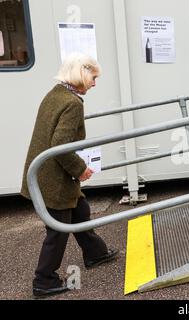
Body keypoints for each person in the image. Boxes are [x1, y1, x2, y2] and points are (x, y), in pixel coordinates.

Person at [21, 53, 118, 299]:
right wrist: (80, 169)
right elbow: (60, 145)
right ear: (82, 75)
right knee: (57, 231)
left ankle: (95, 253)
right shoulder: (72, 103)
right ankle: (43, 281)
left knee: (80, 211)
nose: (95, 84)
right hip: (55, 178)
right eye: (93, 78)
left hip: (44, 172)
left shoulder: (55, 93)